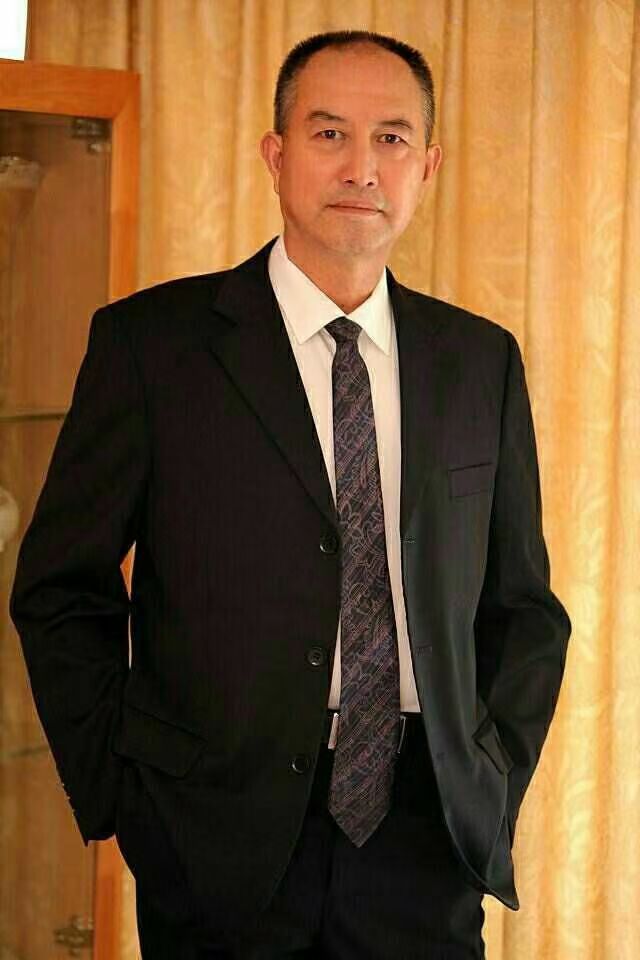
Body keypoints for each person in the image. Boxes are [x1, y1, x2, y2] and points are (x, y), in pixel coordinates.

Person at [10, 29, 571, 960]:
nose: (362, 167)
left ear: (427, 167)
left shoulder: (480, 362)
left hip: (423, 840)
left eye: (392, 139)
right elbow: (60, 588)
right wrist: (123, 790)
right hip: (214, 837)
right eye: (328, 134)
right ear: (275, 156)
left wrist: (490, 777)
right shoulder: (153, 348)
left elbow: (524, 609)